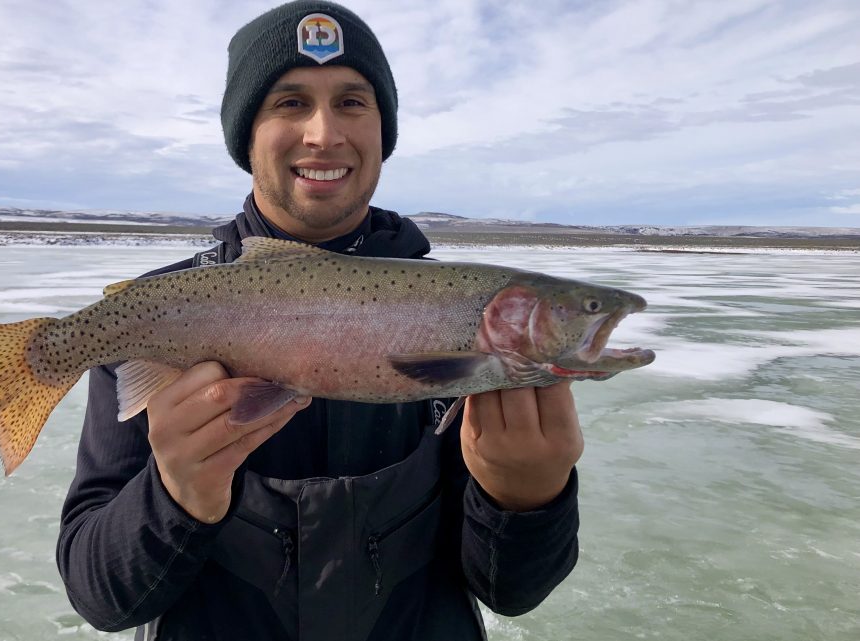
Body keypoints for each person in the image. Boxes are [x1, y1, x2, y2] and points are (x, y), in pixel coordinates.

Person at [57, 2, 582, 639]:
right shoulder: (159, 308)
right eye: (290, 102)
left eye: (354, 102)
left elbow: (508, 591)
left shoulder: (457, 309)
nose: (324, 133)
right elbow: (99, 598)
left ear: (382, 132)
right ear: (244, 136)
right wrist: (174, 494)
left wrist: (524, 497)